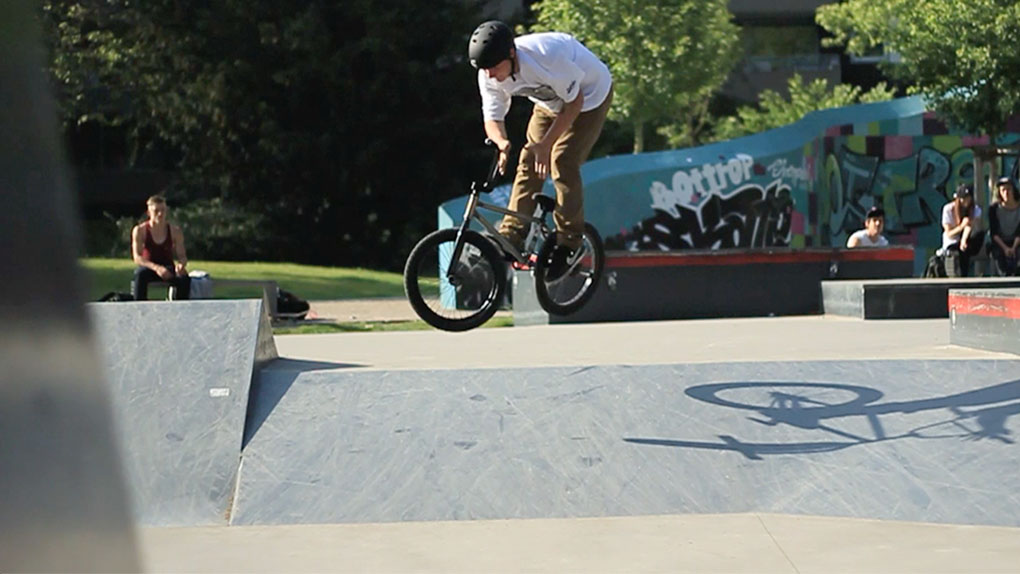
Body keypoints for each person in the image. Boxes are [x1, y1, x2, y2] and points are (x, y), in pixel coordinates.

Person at [468, 21, 613, 280]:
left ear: (511, 54)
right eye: (485, 70)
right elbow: (492, 116)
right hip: (549, 103)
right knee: (528, 159)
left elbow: (575, 101)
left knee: (562, 161)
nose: (490, 75)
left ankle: (569, 243)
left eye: (494, 68)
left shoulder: (547, 58)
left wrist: (546, 144)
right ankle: (512, 234)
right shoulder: (488, 73)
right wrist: (501, 142)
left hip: (590, 98)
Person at [131, 194, 191, 300]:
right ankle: (139, 306)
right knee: (140, 274)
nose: (160, 214)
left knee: (184, 278)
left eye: (163, 210)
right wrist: (157, 268)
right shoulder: (140, 230)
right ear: (149, 213)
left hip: (168, 267)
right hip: (149, 268)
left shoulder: (175, 231)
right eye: (156, 211)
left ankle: (181, 308)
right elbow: (137, 257)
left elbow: (182, 256)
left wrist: (181, 265)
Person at [940, 183, 985, 276]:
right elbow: (949, 233)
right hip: (952, 241)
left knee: (979, 235)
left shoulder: (975, 210)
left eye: (967, 198)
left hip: (968, 240)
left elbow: (969, 225)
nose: (965, 202)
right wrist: (961, 227)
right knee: (957, 255)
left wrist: (964, 240)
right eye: (962, 199)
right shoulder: (948, 209)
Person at [988, 176, 1020, 276]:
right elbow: (994, 232)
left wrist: (1014, 247)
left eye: (1008, 189)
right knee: (997, 254)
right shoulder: (994, 208)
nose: (1006, 193)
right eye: (1003, 190)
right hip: (1000, 242)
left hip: (1016, 241)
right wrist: (1005, 248)